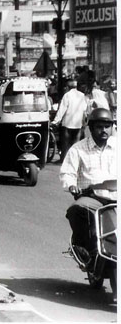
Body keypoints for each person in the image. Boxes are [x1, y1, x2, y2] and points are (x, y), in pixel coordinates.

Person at [60, 108, 116, 265]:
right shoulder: (78, 149)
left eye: (107, 126)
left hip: (116, 198)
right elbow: (67, 173)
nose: (104, 130)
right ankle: (83, 248)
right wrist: (71, 186)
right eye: (99, 126)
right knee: (76, 209)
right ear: (91, 128)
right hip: (93, 199)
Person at [52, 79, 87, 162]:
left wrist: (55, 121)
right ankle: (75, 160)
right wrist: (84, 122)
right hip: (78, 124)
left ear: (67, 87)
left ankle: (64, 160)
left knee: (65, 144)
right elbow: (84, 110)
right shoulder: (82, 95)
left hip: (67, 123)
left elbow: (62, 109)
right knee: (76, 144)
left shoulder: (67, 95)